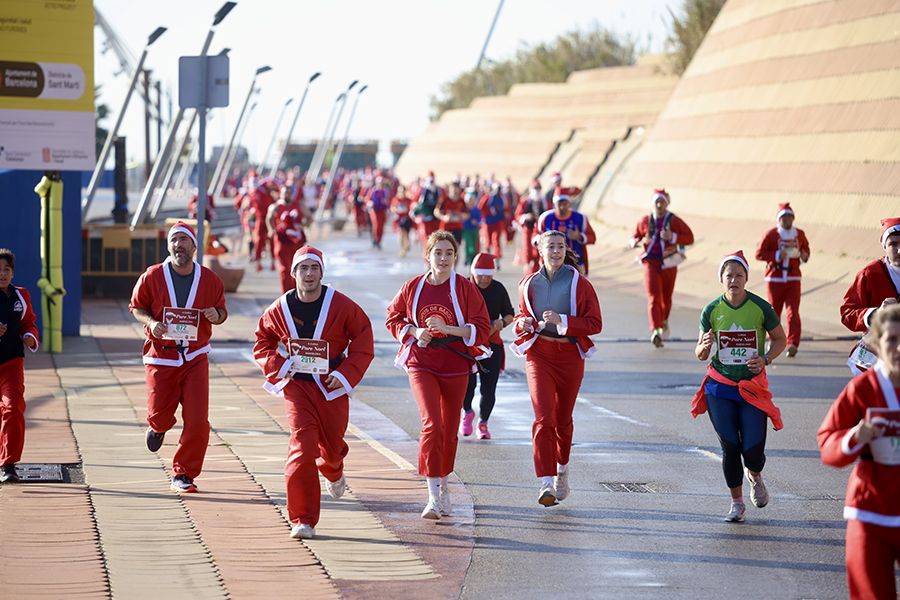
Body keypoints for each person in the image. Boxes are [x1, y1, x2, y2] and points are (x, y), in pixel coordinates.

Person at [254, 245, 374, 539]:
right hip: (298, 387)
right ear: (293, 273)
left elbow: (363, 338)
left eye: (314, 268)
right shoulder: (280, 308)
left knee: (331, 448)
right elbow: (263, 342)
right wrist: (279, 365)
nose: (309, 274)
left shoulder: (342, 305)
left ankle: (333, 470)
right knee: (302, 446)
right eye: (303, 268)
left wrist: (345, 374)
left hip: (331, 387)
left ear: (322, 272)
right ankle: (302, 518)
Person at [386, 231, 491, 520]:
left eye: (449, 253)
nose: (443, 258)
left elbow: (482, 328)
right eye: (438, 253)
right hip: (422, 362)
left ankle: (443, 481)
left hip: (455, 364)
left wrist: (450, 330)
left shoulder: (466, 289)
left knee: (448, 428)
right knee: (432, 423)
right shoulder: (413, 287)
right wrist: (414, 331)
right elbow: (392, 317)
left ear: (455, 257)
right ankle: (432, 495)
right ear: (427, 256)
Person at [129, 222, 228, 493]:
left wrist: (214, 315)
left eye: (184, 240)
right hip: (161, 356)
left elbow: (221, 312)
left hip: (195, 356)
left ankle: (183, 473)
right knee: (159, 414)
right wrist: (150, 323)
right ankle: (158, 427)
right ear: (168, 245)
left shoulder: (209, 279)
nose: (179, 245)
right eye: (174, 240)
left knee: (198, 420)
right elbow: (137, 307)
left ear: (194, 247)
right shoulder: (152, 276)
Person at [692, 250, 786, 522]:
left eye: (739, 275)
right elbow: (700, 353)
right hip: (719, 387)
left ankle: (755, 474)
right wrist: (704, 346)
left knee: (753, 450)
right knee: (730, 446)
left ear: (746, 279)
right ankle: (736, 503)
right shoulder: (711, 310)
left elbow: (780, 339)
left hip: (751, 387)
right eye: (728, 275)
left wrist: (766, 359)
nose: (733, 280)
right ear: (721, 279)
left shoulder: (760, 307)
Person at [510, 230, 602, 506]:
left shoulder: (579, 283)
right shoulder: (528, 284)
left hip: (570, 356)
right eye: (550, 246)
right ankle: (546, 482)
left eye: (560, 246)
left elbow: (595, 323)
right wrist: (521, 323)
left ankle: (562, 470)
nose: (556, 251)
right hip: (539, 354)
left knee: (563, 420)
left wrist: (564, 319)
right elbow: (520, 315)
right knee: (543, 418)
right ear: (539, 249)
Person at [817, 304, 900, 600]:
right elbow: (827, 441)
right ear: (877, 344)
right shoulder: (863, 389)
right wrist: (855, 436)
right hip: (870, 516)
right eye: (892, 340)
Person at [629, 188, 694, 347]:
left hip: (668, 262)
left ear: (667, 203)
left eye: (662, 202)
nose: (659, 204)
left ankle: (663, 320)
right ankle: (655, 330)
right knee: (653, 297)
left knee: (666, 298)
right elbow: (635, 235)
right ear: (652, 203)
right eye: (656, 202)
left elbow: (689, 238)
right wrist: (633, 242)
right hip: (650, 262)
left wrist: (672, 237)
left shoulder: (674, 221)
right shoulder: (645, 220)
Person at [462, 253, 514, 440]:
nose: (484, 279)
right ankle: (467, 411)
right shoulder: (464, 286)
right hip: (468, 345)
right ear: (473, 273)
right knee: (467, 385)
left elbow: (510, 314)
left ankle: (483, 423)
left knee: (488, 387)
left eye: (488, 275)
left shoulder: (498, 289)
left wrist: (502, 323)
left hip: (492, 344)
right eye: (480, 275)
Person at [841, 218, 900, 375]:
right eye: (893, 244)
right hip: (876, 360)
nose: (899, 250)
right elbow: (847, 313)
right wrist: (874, 313)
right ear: (884, 246)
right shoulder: (870, 274)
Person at [0, 249, 39, 483]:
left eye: (6, 270)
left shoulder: (21, 295)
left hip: (12, 362)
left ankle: (8, 465)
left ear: (13, 273)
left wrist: (29, 336)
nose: (2, 275)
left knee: (13, 409)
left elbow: (29, 323)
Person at [755, 203, 810, 358]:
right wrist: (778, 255)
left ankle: (792, 343)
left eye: (789, 217)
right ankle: (774, 339)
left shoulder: (799, 234)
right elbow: (759, 254)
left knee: (793, 311)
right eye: (783, 217)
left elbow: (805, 250)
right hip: (775, 278)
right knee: (774, 311)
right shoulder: (771, 234)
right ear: (779, 219)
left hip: (793, 277)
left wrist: (804, 256)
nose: (787, 220)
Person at [537, 186, 596, 274]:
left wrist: (579, 236)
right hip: (551, 264)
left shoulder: (580, 218)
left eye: (565, 203)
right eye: (559, 204)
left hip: (576, 263)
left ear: (569, 203)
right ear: (554, 204)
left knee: (577, 287)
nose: (562, 207)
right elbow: (535, 236)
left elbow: (592, 238)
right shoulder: (545, 218)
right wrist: (545, 241)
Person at [267, 186, 308, 293]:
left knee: (297, 267)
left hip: (296, 241)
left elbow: (309, 218)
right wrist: (272, 230)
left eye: (289, 193)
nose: (287, 195)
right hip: (282, 240)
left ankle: (297, 292)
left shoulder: (298, 206)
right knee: (285, 269)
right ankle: (286, 294)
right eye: (285, 193)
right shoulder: (275, 207)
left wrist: (302, 225)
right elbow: (269, 218)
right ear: (281, 193)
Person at [514, 180, 549, 275]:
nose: (537, 190)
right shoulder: (525, 202)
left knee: (541, 251)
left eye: (538, 188)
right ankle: (528, 271)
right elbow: (517, 215)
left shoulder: (545, 201)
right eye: (535, 188)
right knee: (528, 251)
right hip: (528, 229)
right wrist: (525, 216)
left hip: (542, 231)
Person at [413, 172, 443, 257]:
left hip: (436, 219)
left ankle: (433, 258)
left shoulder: (438, 190)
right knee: (426, 240)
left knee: (436, 240)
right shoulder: (422, 190)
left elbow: (442, 202)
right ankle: (427, 260)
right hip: (425, 219)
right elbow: (417, 204)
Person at [478, 182, 507, 264]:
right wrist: (484, 217)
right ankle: (487, 258)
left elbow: (504, 210)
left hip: (497, 223)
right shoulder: (487, 198)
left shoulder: (502, 198)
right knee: (488, 241)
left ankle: (497, 259)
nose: (498, 191)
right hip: (488, 223)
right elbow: (480, 208)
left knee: (496, 240)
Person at [366, 177, 391, 249]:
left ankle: (379, 241)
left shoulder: (385, 191)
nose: (379, 184)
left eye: (381, 183)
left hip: (382, 211)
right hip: (374, 211)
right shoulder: (372, 190)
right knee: (375, 226)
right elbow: (368, 199)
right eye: (378, 183)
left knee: (381, 227)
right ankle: (375, 239)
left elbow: (388, 202)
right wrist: (369, 203)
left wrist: (387, 207)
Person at [391, 184, 414, 258]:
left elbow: (412, 208)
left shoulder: (408, 200)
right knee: (400, 233)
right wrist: (395, 210)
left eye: (403, 191)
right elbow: (392, 207)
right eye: (400, 191)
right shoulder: (395, 199)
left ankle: (407, 244)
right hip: (398, 219)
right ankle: (402, 248)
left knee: (406, 234)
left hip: (407, 219)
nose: (401, 193)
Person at [461, 187, 482, 266]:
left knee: (474, 243)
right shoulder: (464, 209)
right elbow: (462, 217)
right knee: (468, 243)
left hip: (474, 229)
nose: (470, 202)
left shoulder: (476, 209)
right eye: (469, 200)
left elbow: (479, 218)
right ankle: (468, 256)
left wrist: (476, 221)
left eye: (472, 200)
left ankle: (473, 257)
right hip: (466, 229)